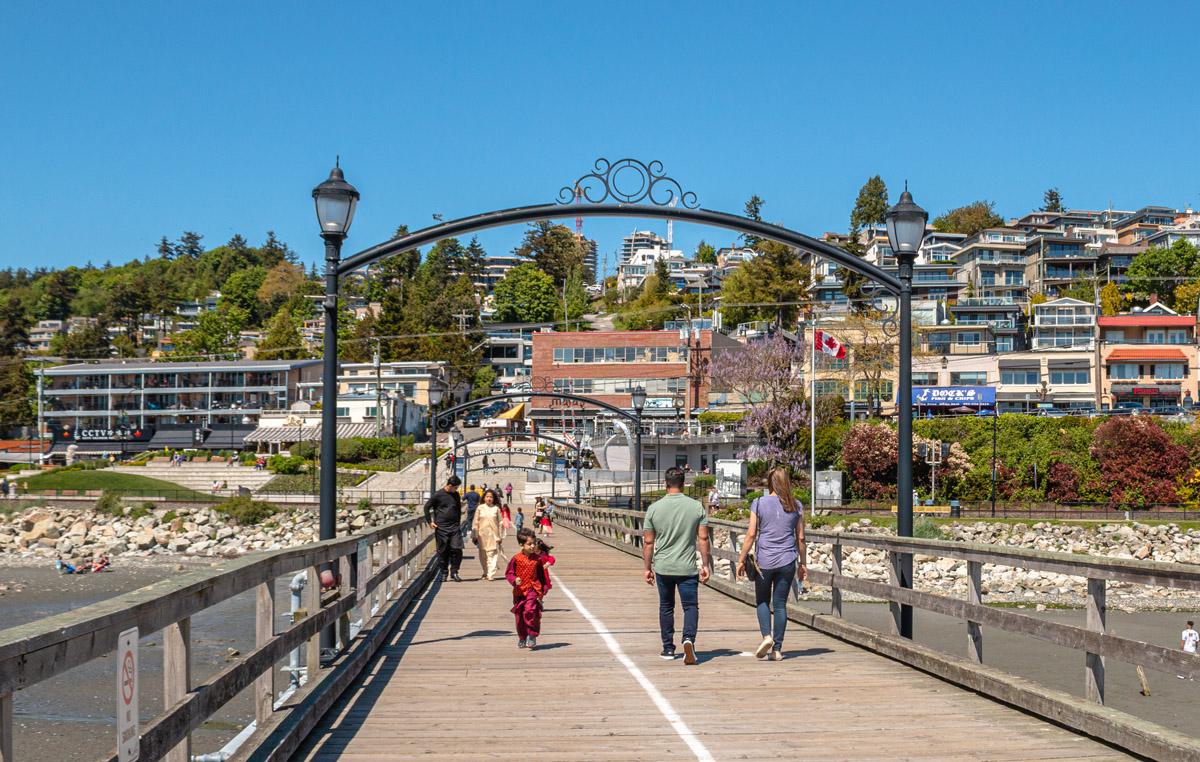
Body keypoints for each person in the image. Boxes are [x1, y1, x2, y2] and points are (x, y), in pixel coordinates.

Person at [736, 467, 807, 661]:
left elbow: (751, 534)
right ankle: (777, 649)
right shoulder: (796, 505)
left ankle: (767, 636)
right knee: (781, 605)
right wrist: (803, 564)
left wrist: (741, 560)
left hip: (764, 562)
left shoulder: (758, 503)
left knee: (762, 601)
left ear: (770, 482)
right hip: (787, 560)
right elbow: (800, 538)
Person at [643, 466, 710, 664]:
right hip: (687, 567)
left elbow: (648, 542)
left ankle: (668, 648)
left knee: (666, 606)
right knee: (690, 606)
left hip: (663, 566)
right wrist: (705, 565)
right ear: (683, 485)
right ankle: (688, 639)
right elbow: (703, 538)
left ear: (665, 484)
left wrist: (647, 568)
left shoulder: (654, 509)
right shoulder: (696, 507)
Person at [505, 528, 550, 649]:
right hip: (519, 591)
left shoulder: (537, 559)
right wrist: (514, 580)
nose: (532, 546)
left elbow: (541, 574)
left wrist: (544, 587)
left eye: (533, 544)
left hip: (532, 589)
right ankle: (522, 636)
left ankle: (532, 634)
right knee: (520, 615)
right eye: (528, 544)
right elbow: (509, 573)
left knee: (530, 610)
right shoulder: (516, 559)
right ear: (521, 545)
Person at [424, 475, 464, 582]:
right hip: (441, 527)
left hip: (454, 527)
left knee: (457, 549)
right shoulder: (438, 495)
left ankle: (454, 571)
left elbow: (458, 509)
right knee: (443, 551)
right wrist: (430, 522)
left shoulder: (456, 495)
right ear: (450, 485)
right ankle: (444, 572)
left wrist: (458, 522)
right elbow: (427, 507)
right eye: (455, 487)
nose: (456, 489)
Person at [472, 489, 503, 580]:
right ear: (484, 498)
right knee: (483, 554)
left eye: (491, 497)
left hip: (493, 535)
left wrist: (500, 536)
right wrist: (475, 535)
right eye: (487, 497)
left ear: (493, 499)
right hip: (482, 535)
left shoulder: (496, 509)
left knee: (492, 553)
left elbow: (500, 522)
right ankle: (485, 572)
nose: (489, 499)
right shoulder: (480, 508)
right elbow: (475, 522)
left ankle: (491, 573)